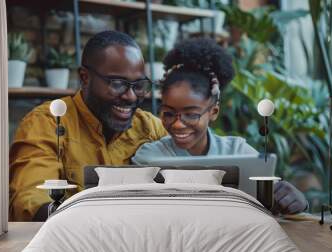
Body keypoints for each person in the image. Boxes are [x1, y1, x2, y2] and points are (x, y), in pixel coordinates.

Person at [131, 38, 307, 215]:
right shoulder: (149, 157)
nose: (177, 124)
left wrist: (296, 201)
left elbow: (274, 197)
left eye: (191, 114)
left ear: (213, 112)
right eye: (168, 113)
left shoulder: (237, 151)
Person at [10, 31, 168, 221]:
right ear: (84, 78)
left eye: (139, 85)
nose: (131, 96)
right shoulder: (48, 122)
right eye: (117, 83)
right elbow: (31, 204)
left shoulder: (150, 127)